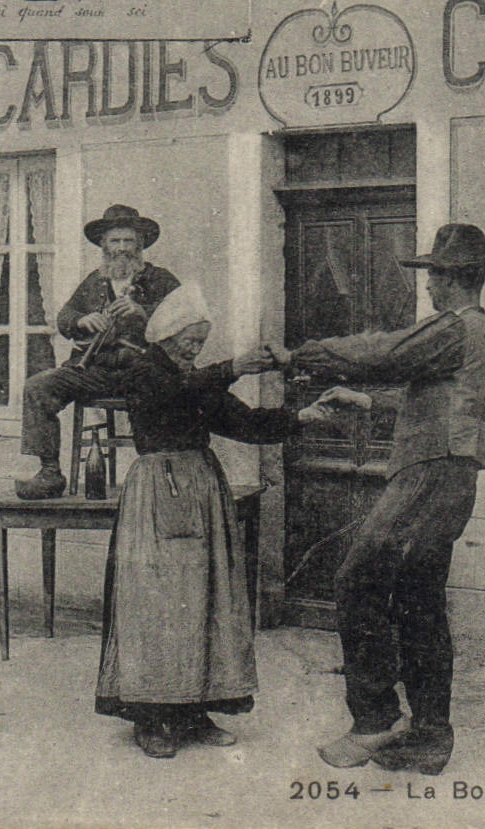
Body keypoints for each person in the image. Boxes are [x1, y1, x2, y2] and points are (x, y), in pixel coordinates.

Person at [283, 223, 485, 776]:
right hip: (450, 478)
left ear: (444, 279)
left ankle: (375, 721)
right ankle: (430, 737)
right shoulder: (481, 335)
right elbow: (443, 402)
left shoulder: (452, 327)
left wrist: (298, 355)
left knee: (357, 580)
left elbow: (385, 353)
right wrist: (366, 400)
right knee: (419, 601)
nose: (429, 286)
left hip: (427, 476)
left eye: (432, 274)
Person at [95, 283, 364, 758]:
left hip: (201, 487)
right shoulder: (145, 370)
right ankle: (152, 716)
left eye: (200, 341)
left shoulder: (196, 377)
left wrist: (302, 416)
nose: (193, 348)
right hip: (158, 493)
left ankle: (194, 710)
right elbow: (172, 393)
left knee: (203, 599)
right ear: (167, 335)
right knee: (157, 604)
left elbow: (249, 425)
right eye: (188, 340)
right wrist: (232, 368)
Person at [16, 204, 181, 499]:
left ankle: (158, 483)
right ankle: (50, 473)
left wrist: (144, 312)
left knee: (165, 402)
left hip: (143, 372)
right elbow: (64, 317)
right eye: (114, 242)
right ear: (104, 245)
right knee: (38, 386)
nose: (121, 249)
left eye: (127, 241)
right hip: (97, 371)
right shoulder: (95, 280)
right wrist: (81, 320)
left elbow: (186, 318)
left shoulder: (160, 279)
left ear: (139, 244)